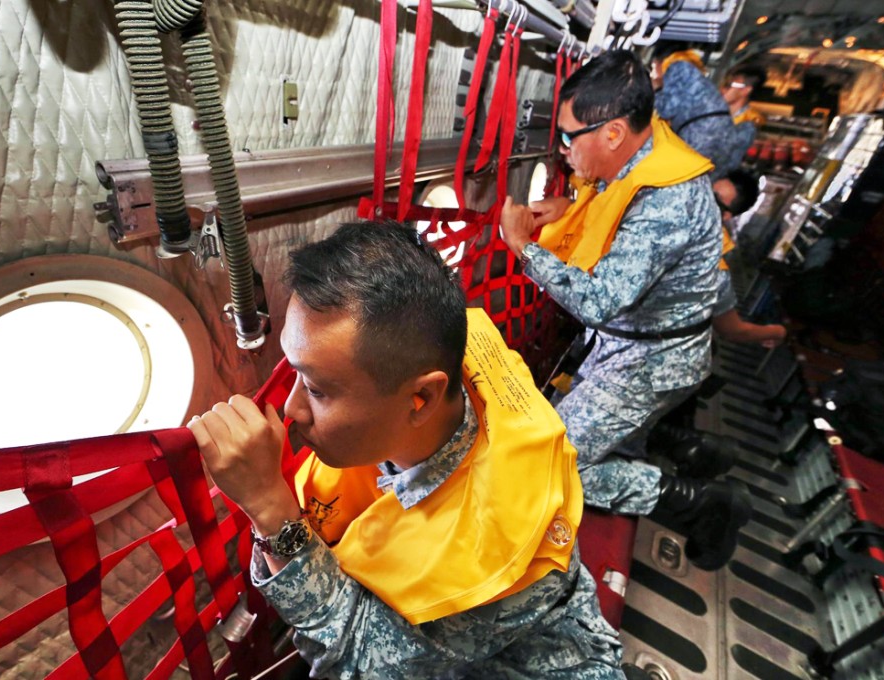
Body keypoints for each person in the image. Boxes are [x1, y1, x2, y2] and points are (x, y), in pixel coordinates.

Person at [189, 221, 626, 678]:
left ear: (420, 399)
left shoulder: (489, 551)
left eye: (317, 389)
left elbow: (363, 662)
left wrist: (269, 509)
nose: (291, 408)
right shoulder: (434, 346)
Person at [500, 50, 750, 571]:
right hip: (637, 342)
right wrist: (571, 209)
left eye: (570, 137)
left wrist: (524, 247)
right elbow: (614, 201)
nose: (563, 150)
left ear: (612, 133)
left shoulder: (668, 200)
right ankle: (679, 442)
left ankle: (698, 504)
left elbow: (600, 300)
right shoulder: (647, 144)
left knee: (548, 466)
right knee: (588, 434)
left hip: (649, 361)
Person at [651, 44, 753, 179]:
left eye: (653, 67)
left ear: (660, 61)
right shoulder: (692, 71)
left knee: (674, 175)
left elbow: (667, 109)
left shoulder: (675, 66)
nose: (653, 73)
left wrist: (655, 88)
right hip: (714, 135)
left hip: (701, 133)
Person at [711, 169, 786, 347]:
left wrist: (777, 332)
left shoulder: (712, 266)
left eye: (714, 199)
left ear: (726, 215)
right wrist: (778, 332)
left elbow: (734, 330)